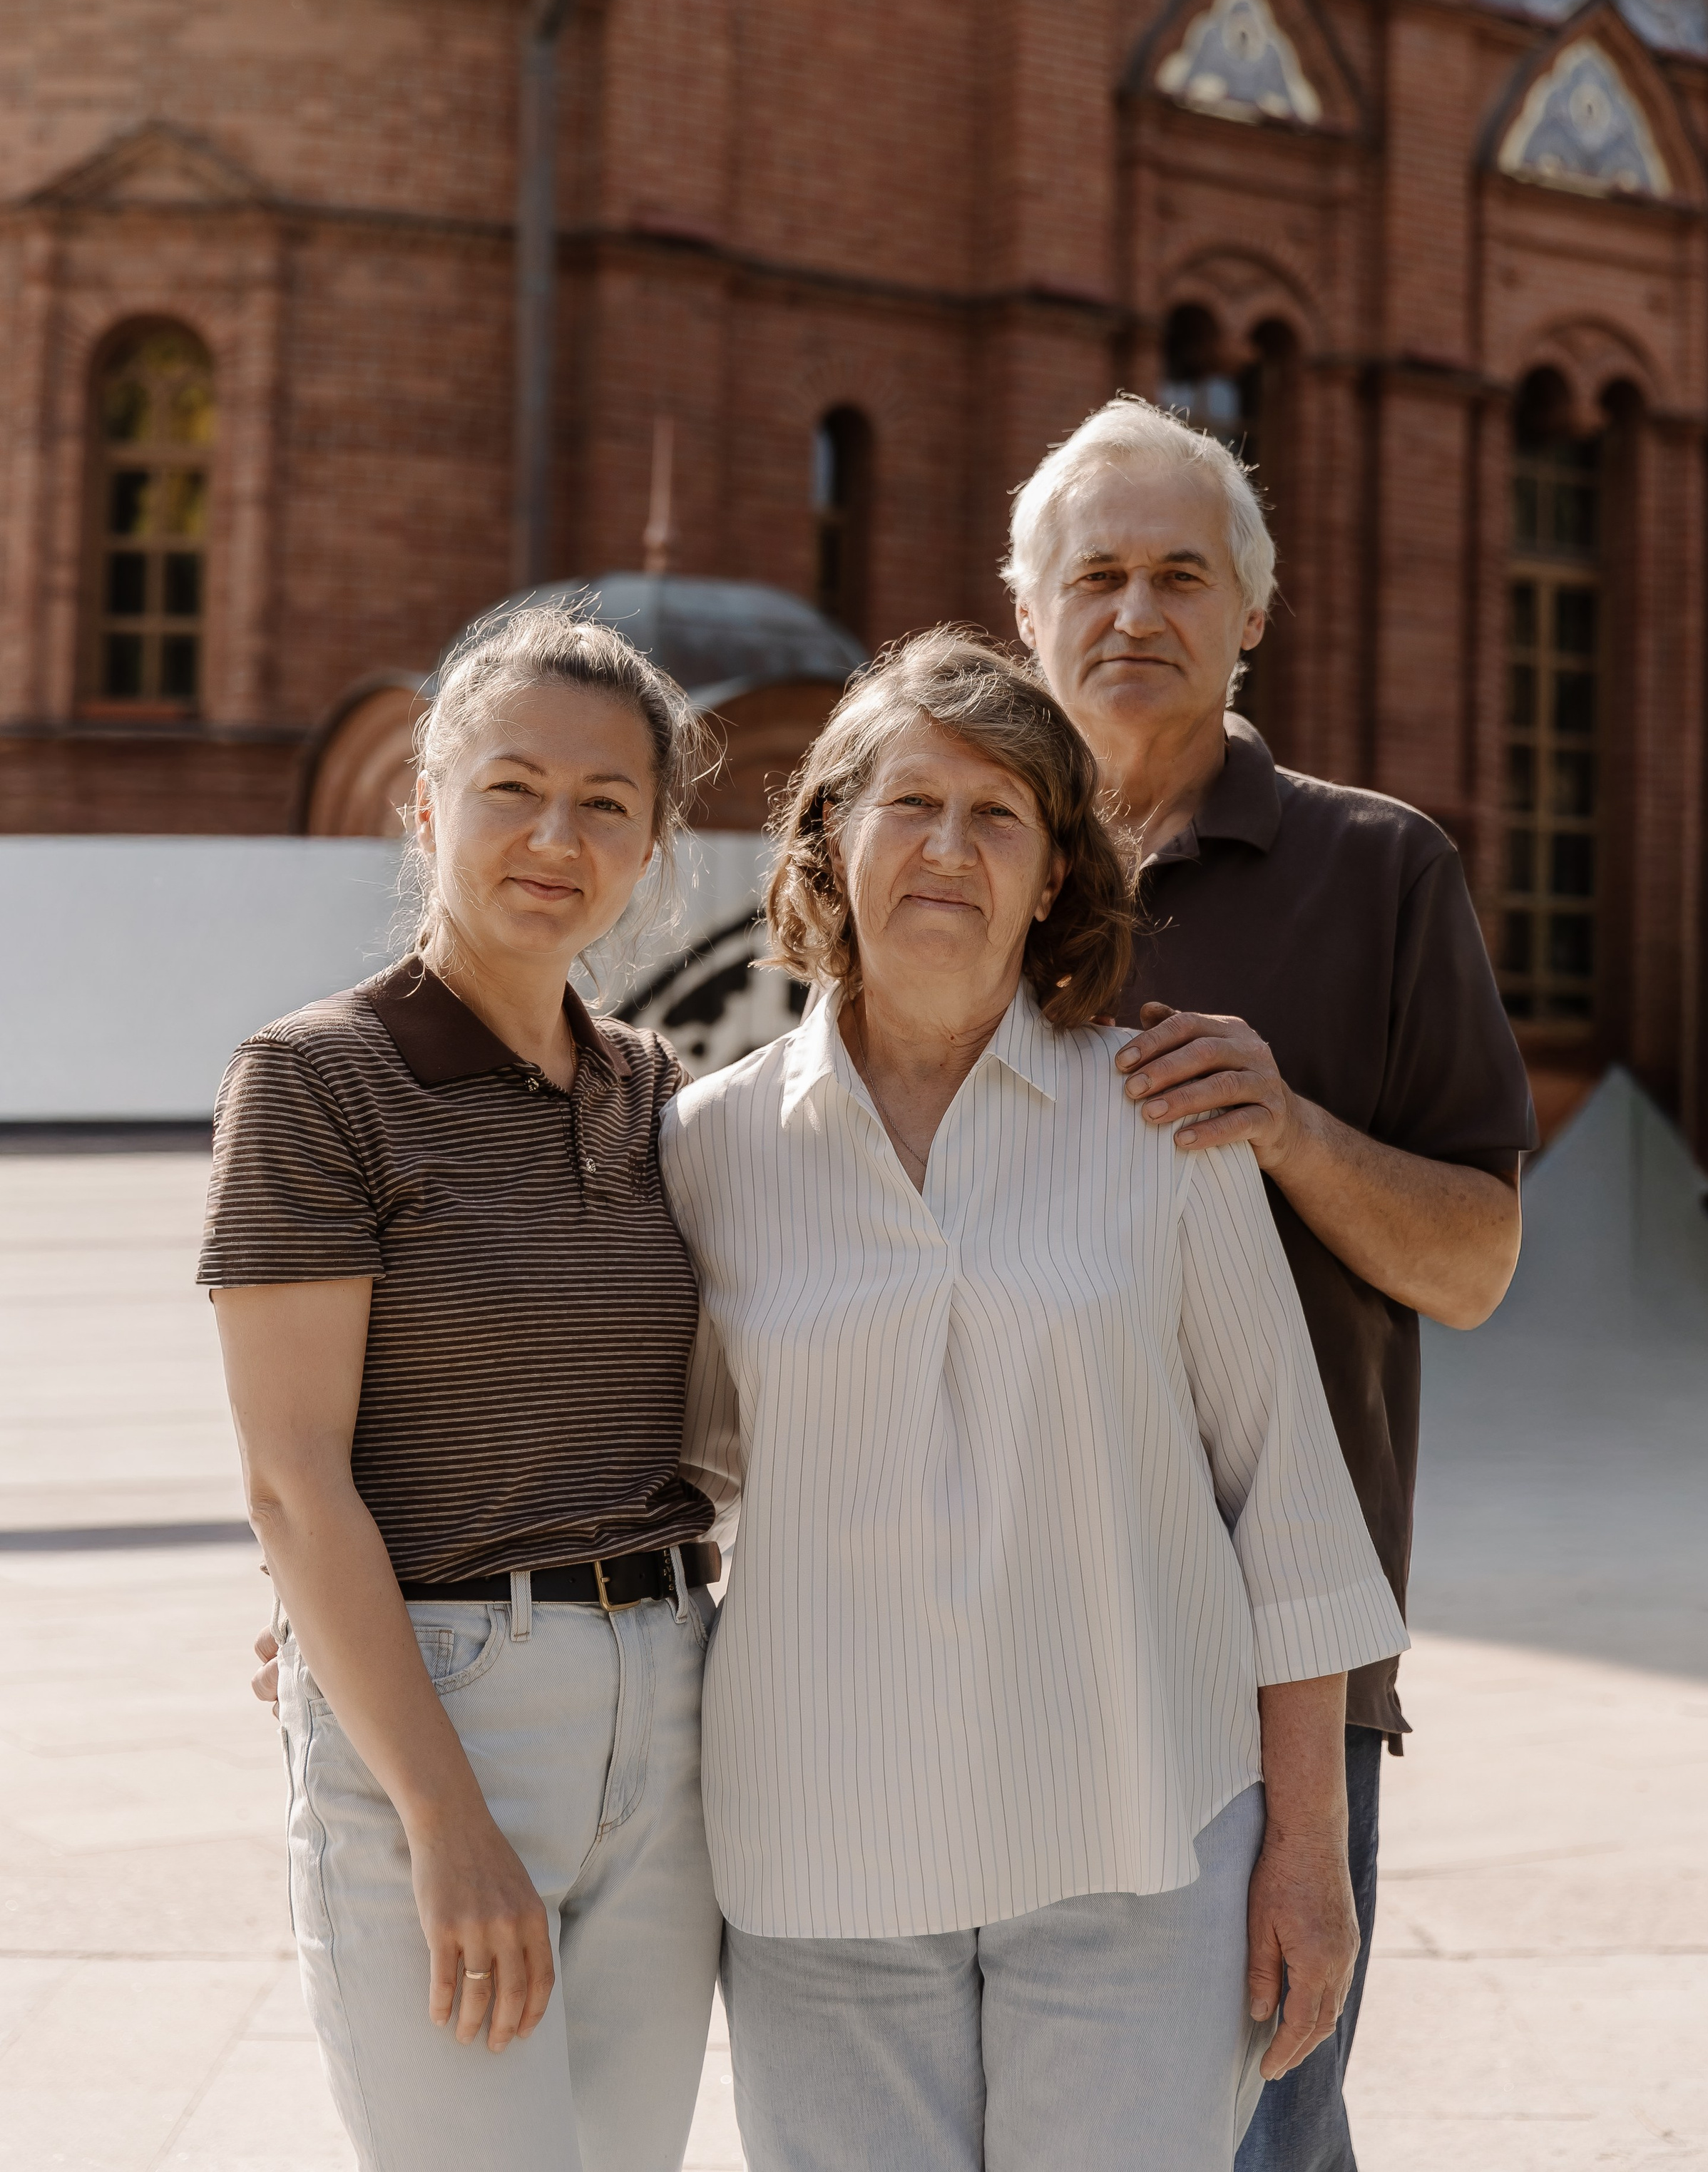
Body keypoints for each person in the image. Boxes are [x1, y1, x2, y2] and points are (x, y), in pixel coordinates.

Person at [663, 629, 1411, 2172]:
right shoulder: (707, 1150)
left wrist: (1307, 1852)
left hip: (1137, 1838)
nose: (948, 846)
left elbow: (1284, 1501)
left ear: (1057, 873)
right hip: (820, 1861)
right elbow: (652, 1477)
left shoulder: (1165, 1116)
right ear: (826, 841)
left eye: (998, 814)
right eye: (908, 803)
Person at [1005, 396, 1536, 2172]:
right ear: (1029, 617)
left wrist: (1294, 1130)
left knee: (1258, 2124)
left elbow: (1472, 1265)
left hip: (1274, 1660)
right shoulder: (952, 862)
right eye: (1094, 575)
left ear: (1254, 612)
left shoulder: (1377, 867)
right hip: (985, 1634)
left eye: (1180, 573)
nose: (1133, 613)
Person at [200, 607, 727, 2172]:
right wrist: (444, 1817)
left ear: (649, 849)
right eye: (510, 786)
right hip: (444, 1710)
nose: (553, 835)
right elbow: (294, 1480)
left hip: (676, 1696)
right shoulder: (313, 1080)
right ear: (426, 807)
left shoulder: (661, 1097)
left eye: (605, 803)